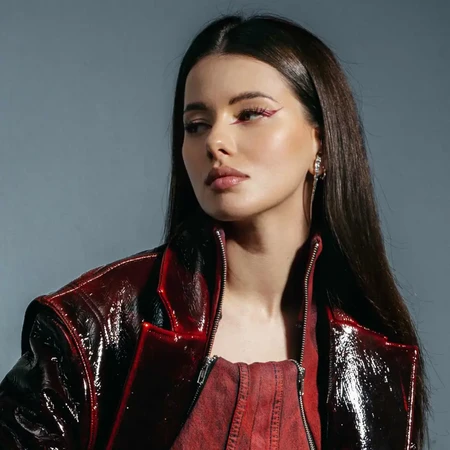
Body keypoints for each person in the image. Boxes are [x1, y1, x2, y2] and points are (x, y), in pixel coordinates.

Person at [0, 13, 428, 450]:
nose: (215, 142)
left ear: (321, 141)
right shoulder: (92, 325)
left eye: (250, 114)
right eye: (197, 124)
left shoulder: (373, 356)